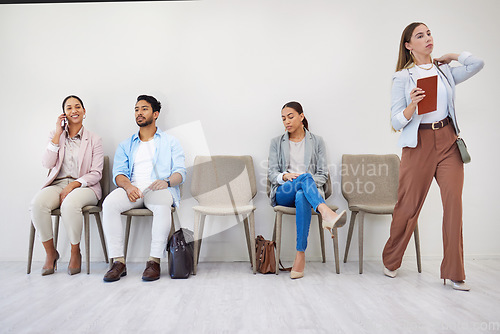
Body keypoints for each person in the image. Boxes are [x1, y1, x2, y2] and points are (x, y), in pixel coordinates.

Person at [382, 22, 484, 291]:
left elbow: (477, 63)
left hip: (449, 140)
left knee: (454, 206)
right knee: (408, 205)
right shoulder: (403, 77)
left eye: (429, 33)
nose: (427, 38)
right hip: (419, 144)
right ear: (408, 45)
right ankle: (391, 259)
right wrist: (412, 106)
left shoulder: (445, 72)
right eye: (420, 35)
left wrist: (451, 56)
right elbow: (395, 120)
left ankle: (454, 272)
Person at [102, 95, 186, 282]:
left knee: (163, 204)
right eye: (136, 109)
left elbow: (180, 172)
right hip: (133, 189)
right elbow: (119, 173)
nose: (139, 113)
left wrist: (167, 182)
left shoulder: (170, 142)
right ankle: (118, 262)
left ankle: (154, 261)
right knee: (109, 204)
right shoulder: (126, 144)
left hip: (158, 188)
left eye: (144, 109)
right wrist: (128, 186)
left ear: (155, 114)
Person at [268, 101, 346, 279]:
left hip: (306, 193)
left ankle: (300, 255)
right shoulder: (276, 143)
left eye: (290, 117)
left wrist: (305, 180)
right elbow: (272, 173)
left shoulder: (317, 141)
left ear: (301, 116)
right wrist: (286, 177)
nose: (286, 121)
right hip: (283, 192)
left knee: (303, 191)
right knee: (304, 178)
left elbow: (321, 174)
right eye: (283, 119)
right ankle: (325, 212)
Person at [30, 95, 104, 276]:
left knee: (70, 205)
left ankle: (74, 252)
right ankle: (51, 253)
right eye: (69, 108)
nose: (74, 110)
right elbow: (47, 164)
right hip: (58, 184)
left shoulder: (94, 139)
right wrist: (57, 133)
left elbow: (96, 173)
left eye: (78, 107)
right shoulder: (56, 136)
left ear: (84, 112)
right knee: (37, 204)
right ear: (64, 114)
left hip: (85, 187)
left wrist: (74, 185)